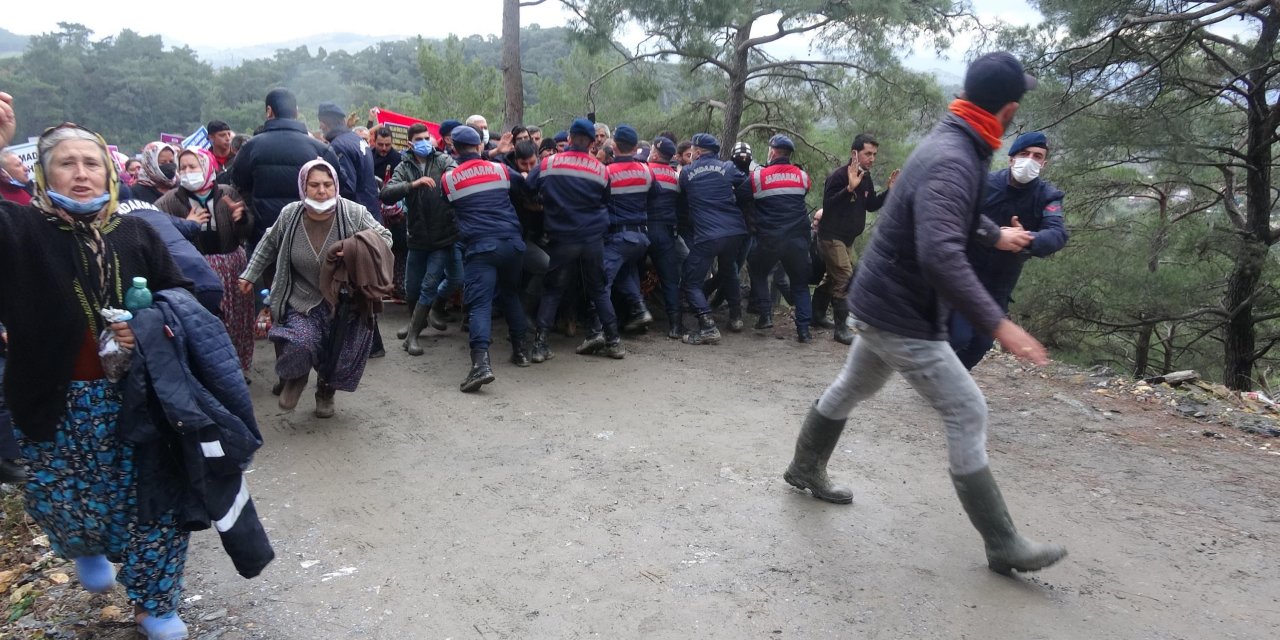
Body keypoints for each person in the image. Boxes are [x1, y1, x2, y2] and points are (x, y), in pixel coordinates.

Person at [782, 52, 1067, 576]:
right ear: (1007, 110)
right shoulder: (957, 155)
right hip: (901, 312)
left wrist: (993, 232)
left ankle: (804, 467)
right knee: (968, 410)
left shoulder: (953, 138)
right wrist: (999, 324)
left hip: (880, 299)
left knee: (852, 387)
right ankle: (1002, 542)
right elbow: (940, 253)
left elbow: (942, 212)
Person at [0, 109, 199, 638]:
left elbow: (185, 297)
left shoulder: (137, 231)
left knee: (154, 506)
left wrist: (150, 324)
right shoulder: (18, 230)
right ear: (43, 175)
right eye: (66, 163)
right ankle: (83, 545)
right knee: (66, 499)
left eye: (92, 162)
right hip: (51, 399)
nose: (81, 172)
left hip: (135, 399)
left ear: (111, 174)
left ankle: (155, 604)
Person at [238, 159, 391, 418]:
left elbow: (384, 238)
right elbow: (268, 243)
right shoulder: (290, 214)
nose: (322, 190)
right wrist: (249, 275)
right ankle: (296, 378)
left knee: (337, 354)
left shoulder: (353, 212)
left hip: (344, 302)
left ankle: (325, 392)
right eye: (315, 185)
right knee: (300, 341)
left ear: (335, 186)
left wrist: (354, 247)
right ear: (303, 187)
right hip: (302, 297)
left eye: (328, 184)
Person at [950, 131, 1068, 370]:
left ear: (1043, 164)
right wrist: (994, 235)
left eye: (1037, 156)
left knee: (981, 343)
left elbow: (1057, 234)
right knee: (959, 336)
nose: (1030, 160)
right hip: (966, 274)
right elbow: (959, 216)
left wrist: (1026, 238)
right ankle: (936, 376)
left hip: (1001, 283)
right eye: (1024, 154)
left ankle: (949, 381)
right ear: (1011, 158)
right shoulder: (985, 185)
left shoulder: (1048, 196)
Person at [440, 125, 532, 391]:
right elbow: (524, 187)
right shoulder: (501, 169)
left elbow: (447, 205)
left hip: (481, 248)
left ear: (454, 149)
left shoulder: (449, 179)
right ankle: (521, 351)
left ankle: (480, 365)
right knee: (511, 294)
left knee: (480, 304)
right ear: (480, 146)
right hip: (513, 243)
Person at [526, 118, 625, 361]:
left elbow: (528, 187)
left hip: (562, 239)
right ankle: (614, 342)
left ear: (569, 138)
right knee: (599, 290)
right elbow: (604, 200)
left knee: (553, 291)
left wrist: (546, 199)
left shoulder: (548, 164)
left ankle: (540, 346)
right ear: (592, 142)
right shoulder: (601, 170)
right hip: (592, 239)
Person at [153, 148, 256, 374]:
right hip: (195, 268)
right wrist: (185, 224)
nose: (188, 172)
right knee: (205, 320)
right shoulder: (168, 201)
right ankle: (210, 370)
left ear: (207, 167)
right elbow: (160, 233)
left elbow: (246, 231)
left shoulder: (228, 193)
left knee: (237, 319)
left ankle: (237, 367)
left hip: (232, 265)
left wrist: (242, 219)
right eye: (184, 168)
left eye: (193, 166)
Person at [379, 123, 460, 356]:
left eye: (427, 137)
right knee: (411, 289)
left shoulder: (442, 160)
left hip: (442, 237)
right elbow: (386, 193)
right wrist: (412, 185)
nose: (425, 142)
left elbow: (454, 173)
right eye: (419, 139)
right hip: (416, 236)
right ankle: (417, 322)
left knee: (428, 285)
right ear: (410, 143)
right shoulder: (404, 166)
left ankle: (413, 336)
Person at [816, 133, 898, 344]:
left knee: (834, 276)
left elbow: (870, 205)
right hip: (830, 236)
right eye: (867, 153)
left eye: (874, 154)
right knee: (844, 277)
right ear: (855, 153)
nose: (872, 158)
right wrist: (849, 189)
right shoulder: (839, 176)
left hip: (847, 239)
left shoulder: (866, 177)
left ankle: (815, 315)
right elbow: (829, 204)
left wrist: (889, 192)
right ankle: (842, 329)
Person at [231, 88, 340, 246]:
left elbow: (238, 181)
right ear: (296, 112)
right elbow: (338, 186)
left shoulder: (251, 148)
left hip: (265, 237)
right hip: (310, 237)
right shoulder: (320, 149)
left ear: (269, 111)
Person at [677, 133, 749, 345]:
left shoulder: (688, 172)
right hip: (735, 231)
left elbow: (682, 194)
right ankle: (736, 318)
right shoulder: (728, 168)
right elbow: (746, 186)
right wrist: (733, 198)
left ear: (698, 151)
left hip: (708, 234)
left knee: (691, 281)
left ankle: (707, 325)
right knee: (729, 272)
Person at [743, 135, 813, 342]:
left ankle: (765, 316)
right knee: (800, 284)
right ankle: (804, 331)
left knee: (758, 270)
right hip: (798, 239)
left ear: (772, 152)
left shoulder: (758, 177)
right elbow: (803, 192)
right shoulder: (802, 176)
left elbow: (740, 195)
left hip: (770, 239)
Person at [599, 125, 655, 334]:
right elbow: (655, 195)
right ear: (635, 148)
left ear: (613, 146)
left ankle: (602, 330)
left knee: (602, 281)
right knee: (625, 273)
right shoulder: (646, 171)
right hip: (640, 237)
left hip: (618, 237)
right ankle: (640, 310)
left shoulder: (606, 173)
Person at [645, 137, 685, 339]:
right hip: (667, 233)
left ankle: (634, 318)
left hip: (643, 229)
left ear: (654, 153)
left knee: (632, 273)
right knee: (670, 279)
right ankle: (675, 325)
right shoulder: (675, 176)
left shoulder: (644, 169)